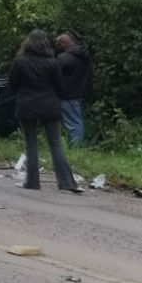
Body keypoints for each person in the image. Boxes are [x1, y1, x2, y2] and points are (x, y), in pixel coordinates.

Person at [9, 29, 81, 193]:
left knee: (31, 144)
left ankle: (33, 182)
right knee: (56, 144)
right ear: (45, 44)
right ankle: (67, 183)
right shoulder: (53, 62)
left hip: (27, 105)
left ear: (28, 42)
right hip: (49, 105)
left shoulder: (20, 61)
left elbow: (12, 83)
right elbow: (60, 86)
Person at [55, 32, 92, 147]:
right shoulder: (83, 56)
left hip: (67, 95)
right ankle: (76, 146)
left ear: (63, 44)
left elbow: (54, 75)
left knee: (73, 123)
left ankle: (76, 148)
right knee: (77, 121)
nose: (57, 46)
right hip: (80, 92)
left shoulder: (63, 58)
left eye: (58, 44)